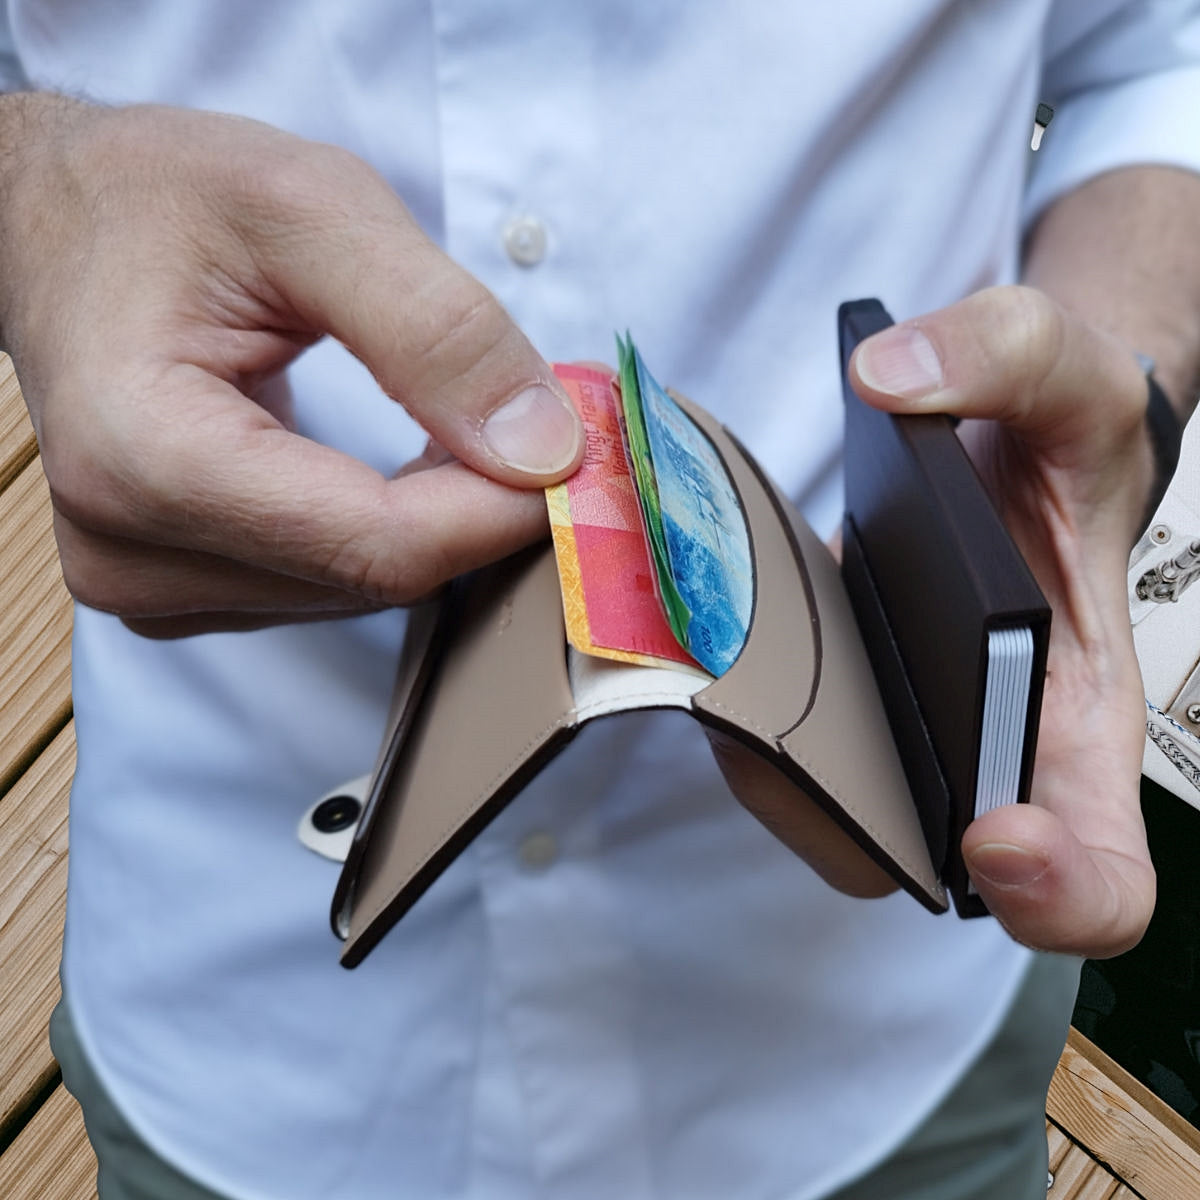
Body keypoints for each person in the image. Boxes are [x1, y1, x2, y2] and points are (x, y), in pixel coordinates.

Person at [1, 3, 1199, 1197]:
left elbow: (1160, 51)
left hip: (883, 1004)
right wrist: (36, 205)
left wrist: (1121, 390)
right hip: (238, 989)